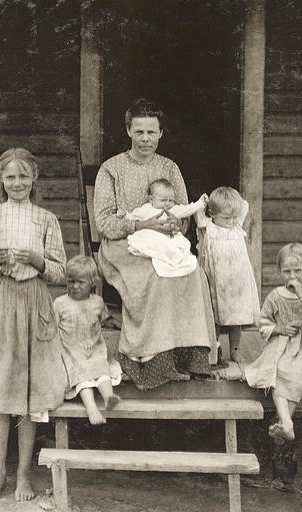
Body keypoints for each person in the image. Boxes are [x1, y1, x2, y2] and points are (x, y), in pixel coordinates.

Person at [93, 98, 217, 390]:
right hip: (123, 245)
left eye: (151, 132)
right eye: (139, 132)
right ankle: (152, 361)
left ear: (161, 133)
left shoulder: (170, 167)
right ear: (128, 131)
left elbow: (183, 213)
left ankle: (190, 358)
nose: (145, 139)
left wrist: (174, 225)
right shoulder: (111, 168)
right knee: (157, 276)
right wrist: (140, 224)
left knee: (193, 273)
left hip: (165, 241)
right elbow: (104, 223)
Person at [0, 147, 68, 503]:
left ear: (34, 178)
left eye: (24, 176)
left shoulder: (46, 219)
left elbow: (59, 271)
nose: (17, 183)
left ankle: (24, 475)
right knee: (0, 388)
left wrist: (39, 260)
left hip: (34, 301)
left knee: (28, 392)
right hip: (0, 302)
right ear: (1, 179)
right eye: (10, 177)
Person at [244, 243, 302, 442]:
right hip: (280, 346)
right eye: (286, 271)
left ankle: (285, 423)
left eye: (298, 271)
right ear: (279, 272)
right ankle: (286, 424)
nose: (293, 276)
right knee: (277, 368)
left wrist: (300, 295)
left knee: (297, 371)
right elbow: (262, 322)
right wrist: (280, 329)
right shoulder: (275, 296)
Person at [53, 255, 123, 425]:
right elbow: (52, 328)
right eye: (71, 281)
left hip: (94, 347)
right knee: (82, 376)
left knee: (102, 370)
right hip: (71, 350)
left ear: (92, 282)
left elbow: (105, 319)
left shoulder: (98, 302)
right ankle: (92, 409)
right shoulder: (60, 303)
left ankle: (108, 398)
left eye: (80, 282)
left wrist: (116, 325)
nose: (75, 286)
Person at [195, 186, 260, 363]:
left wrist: (233, 201)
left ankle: (235, 350)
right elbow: (198, 214)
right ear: (212, 214)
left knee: (236, 320)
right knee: (215, 318)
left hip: (237, 283)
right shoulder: (208, 228)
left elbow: (244, 205)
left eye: (233, 217)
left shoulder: (236, 227)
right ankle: (214, 350)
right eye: (226, 218)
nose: (231, 221)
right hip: (217, 284)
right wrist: (204, 203)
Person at [124, 178, 208, 278]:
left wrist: (200, 203)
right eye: (163, 200)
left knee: (183, 245)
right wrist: (124, 214)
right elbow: (132, 217)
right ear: (151, 199)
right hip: (151, 236)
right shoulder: (145, 209)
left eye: (171, 200)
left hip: (168, 237)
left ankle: (173, 261)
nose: (167, 204)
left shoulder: (172, 210)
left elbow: (186, 209)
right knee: (144, 242)